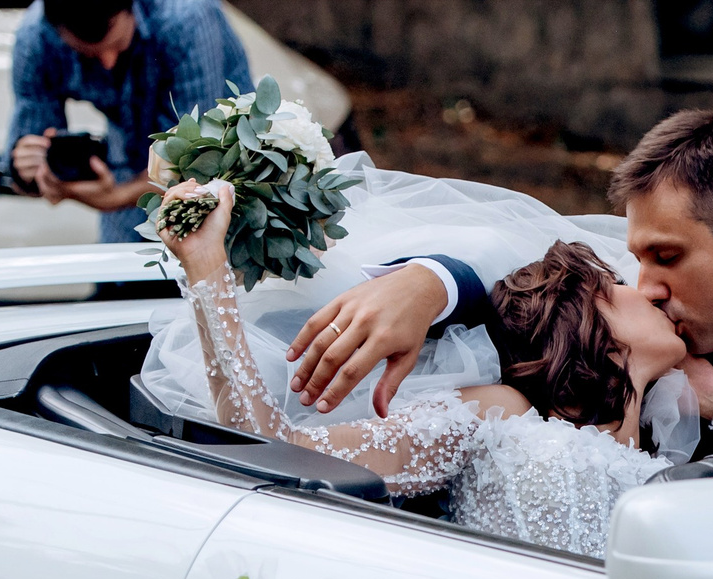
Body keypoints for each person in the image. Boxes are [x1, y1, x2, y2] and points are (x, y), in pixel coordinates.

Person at [154, 178, 685, 559]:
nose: (647, 290)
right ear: (587, 317)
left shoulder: (671, 439)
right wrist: (207, 269)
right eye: (618, 283)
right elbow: (275, 450)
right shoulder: (505, 416)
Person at [279, 110, 713, 428]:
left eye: (667, 257)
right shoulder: (631, 336)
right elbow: (525, 270)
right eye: (640, 259)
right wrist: (430, 284)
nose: (645, 287)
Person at [7, 0, 253, 243]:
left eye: (116, 45)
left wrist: (115, 197)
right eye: (89, 55)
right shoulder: (36, 37)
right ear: (55, 30)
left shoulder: (186, 13)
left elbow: (200, 155)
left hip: (228, 165)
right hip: (129, 161)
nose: (108, 63)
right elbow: (29, 151)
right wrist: (31, 169)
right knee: (122, 268)